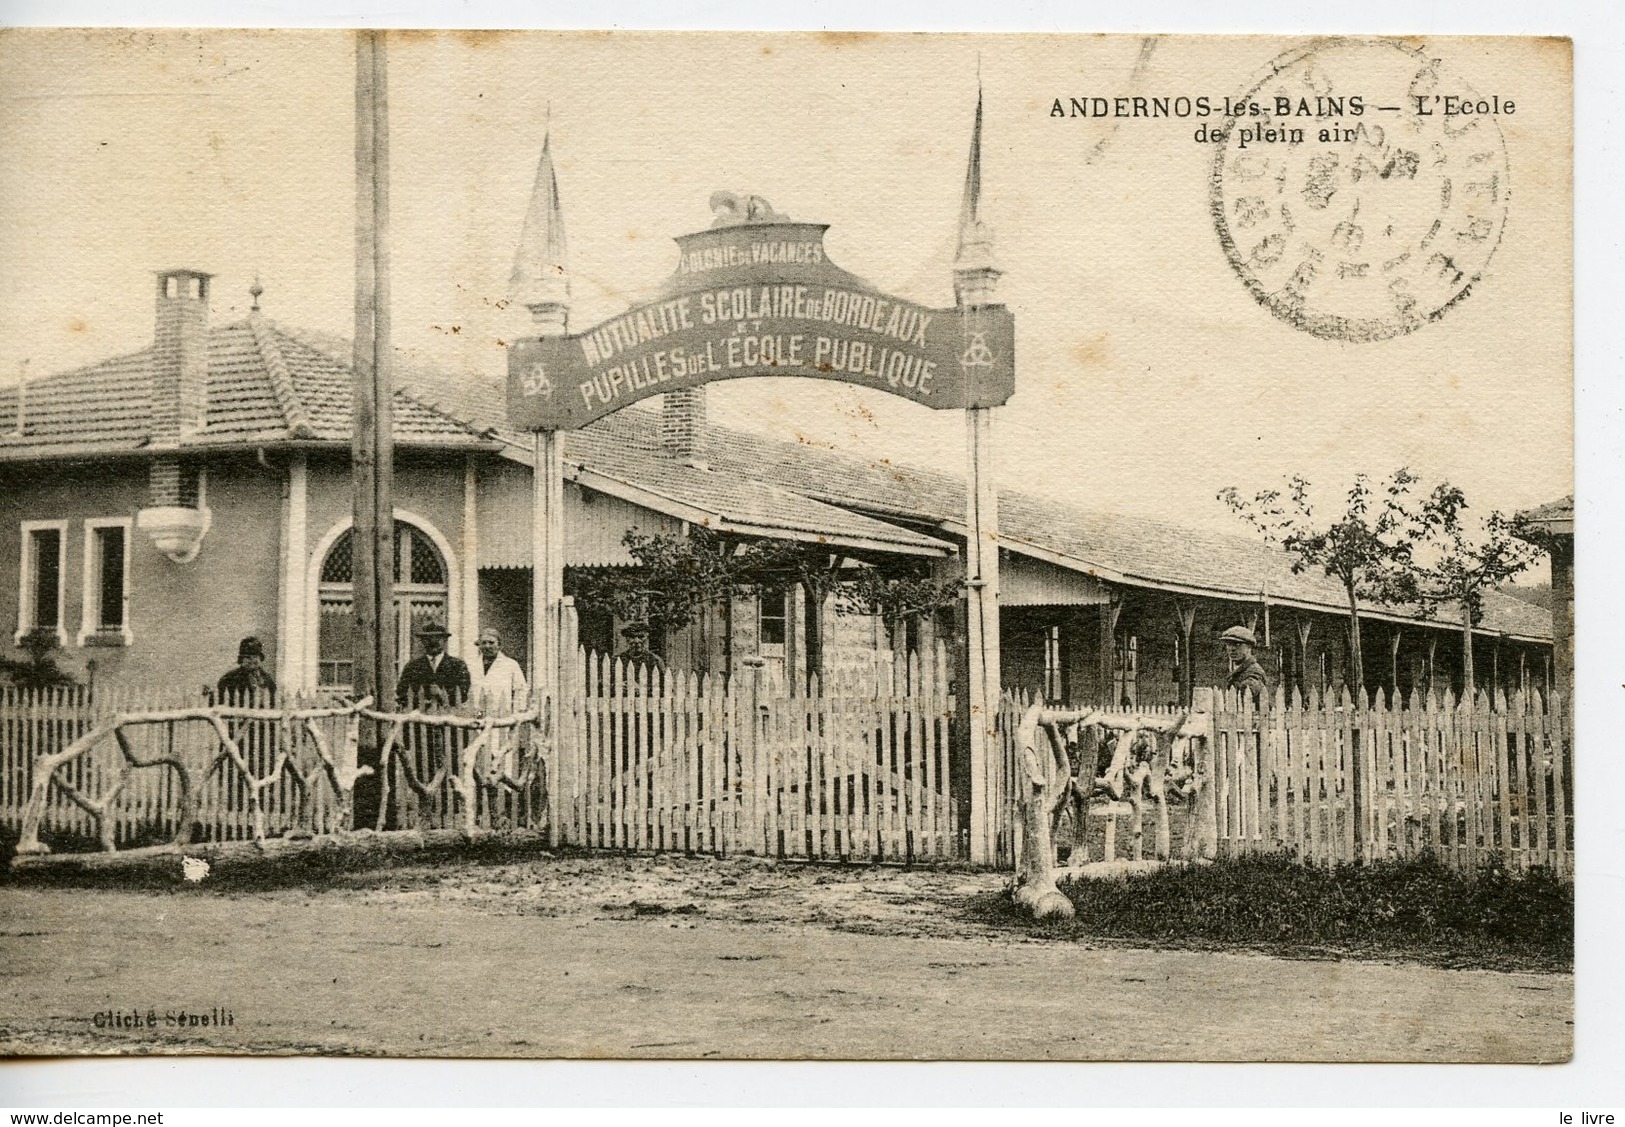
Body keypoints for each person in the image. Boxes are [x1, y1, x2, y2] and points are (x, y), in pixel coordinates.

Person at [395, 621, 471, 711]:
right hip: (419, 717)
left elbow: (464, 692)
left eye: (437, 638)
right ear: (422, 642)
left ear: (445, 640)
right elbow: (402, 692)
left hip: (449, 717)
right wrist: (424, 699)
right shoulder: (412, 666)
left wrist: (442, 694)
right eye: (428, 638)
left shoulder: (458, 665)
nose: (433, 642)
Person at [471, 627, 529, 717]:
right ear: (479, 645)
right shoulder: (472, 665)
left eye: (491, 643)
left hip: (501, 715)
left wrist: (517, 714)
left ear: (499, 645)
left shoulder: (511, 665)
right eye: (484, 643)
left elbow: (521, 690)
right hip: (477, 715)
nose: (487, 646)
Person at [1220, 625, 1270, 707]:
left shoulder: (1254, 672)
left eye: (1238, 644)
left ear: (1249, 647)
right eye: (1229, 644)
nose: (1232, 649)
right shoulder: (1239, 670)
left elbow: (1246, 695)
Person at [216, 636, 276, 704]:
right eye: (247, 657)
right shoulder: (229, 678)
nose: (252, 660)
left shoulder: (267, 679)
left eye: (255, 656)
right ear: (241, 659)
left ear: (260, 658)